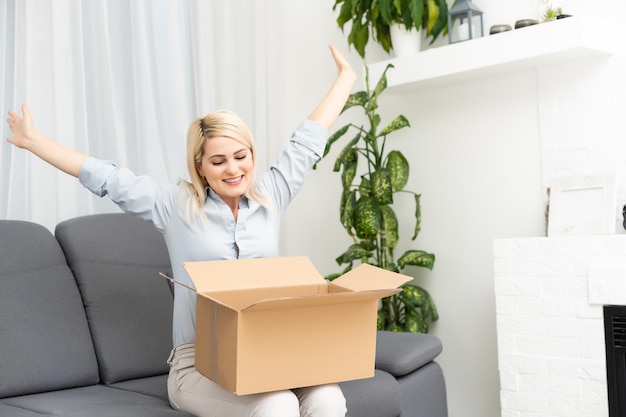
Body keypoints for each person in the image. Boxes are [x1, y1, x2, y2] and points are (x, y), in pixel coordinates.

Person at [5, 45, 356, 417]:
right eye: (218, 161)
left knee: (329, 398)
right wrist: (35, 142)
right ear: (200, 166)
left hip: (268, 352)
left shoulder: (273, 193)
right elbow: (107, 178)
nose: (233, 169)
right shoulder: (173, 205)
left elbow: (308, 139)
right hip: (199, 364)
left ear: (253, 154)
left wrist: (346, 78)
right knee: (278, 405)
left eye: (241, 156)